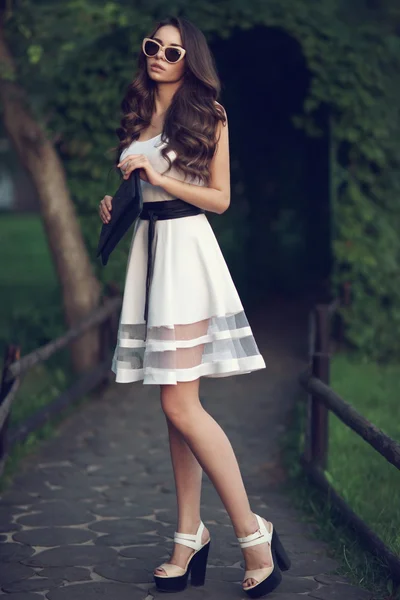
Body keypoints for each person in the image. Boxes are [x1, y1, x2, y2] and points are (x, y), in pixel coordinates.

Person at [98, 15, 290, 598]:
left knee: (181, 405)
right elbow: (145, 187)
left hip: (187, 257)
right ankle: (188, 536)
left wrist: (158, 175)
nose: (159, 55)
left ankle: (252, 533)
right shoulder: (138, 112)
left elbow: (220, 198)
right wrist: (120, 203)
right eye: (153, 46)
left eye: (173, 50)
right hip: (149, 254)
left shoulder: (208, 114)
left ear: (191, 59)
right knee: (174, 404)